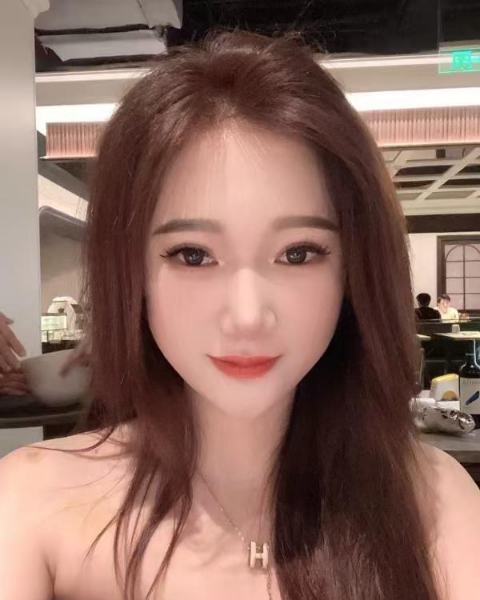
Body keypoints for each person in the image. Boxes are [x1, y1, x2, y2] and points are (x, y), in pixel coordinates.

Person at [0, 30, 479, 600]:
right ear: (130, 272)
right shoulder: (33, 506)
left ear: (354, 269)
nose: (248, 317)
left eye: (298, 253)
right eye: (193, 255)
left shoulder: (433, 503)